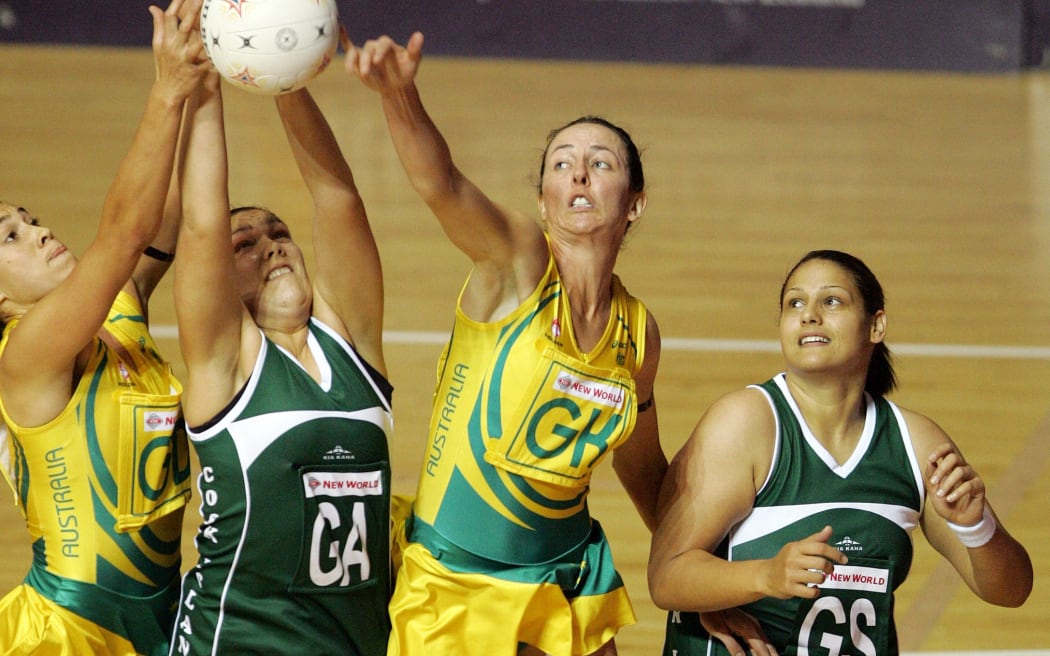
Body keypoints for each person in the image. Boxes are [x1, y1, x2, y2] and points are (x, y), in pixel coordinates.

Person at [346, 32, 667, 656]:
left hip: (566, 581)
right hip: (455, 589)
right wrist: (399, 95)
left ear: (634, 204)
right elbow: (441, 185)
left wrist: (699, 565)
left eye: (601, 163)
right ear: (543, 202)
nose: (579, 172)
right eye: (561, 164)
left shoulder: (638, 332)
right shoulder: (517, 263)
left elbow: (642, 465)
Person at [648, 249, 1034, 656]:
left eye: (831, 301)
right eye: (795, 303)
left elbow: (1011, 592)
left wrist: (976, 528)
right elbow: (666, 576)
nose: (809, 315)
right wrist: (765, 575)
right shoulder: (746, 422)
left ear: (876, 325)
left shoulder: (915, 442)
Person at [167, 43, 394, 656]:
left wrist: (285, 75)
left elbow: (338, 197)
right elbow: (201, 224)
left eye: (280, 232)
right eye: (245, 244)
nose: (271, 244)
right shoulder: (226, 363)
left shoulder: (352, 346)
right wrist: (204, 84)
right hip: (238, 642)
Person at [0, 2, 207, 654]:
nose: (39, 232)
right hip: (68, 629)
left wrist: (202, 80)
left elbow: (163, 214)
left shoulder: (118, 306)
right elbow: (123, 234)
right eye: (10, 237)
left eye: (31, 220)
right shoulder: (26, 352)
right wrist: (165, 89)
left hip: (163, 618)